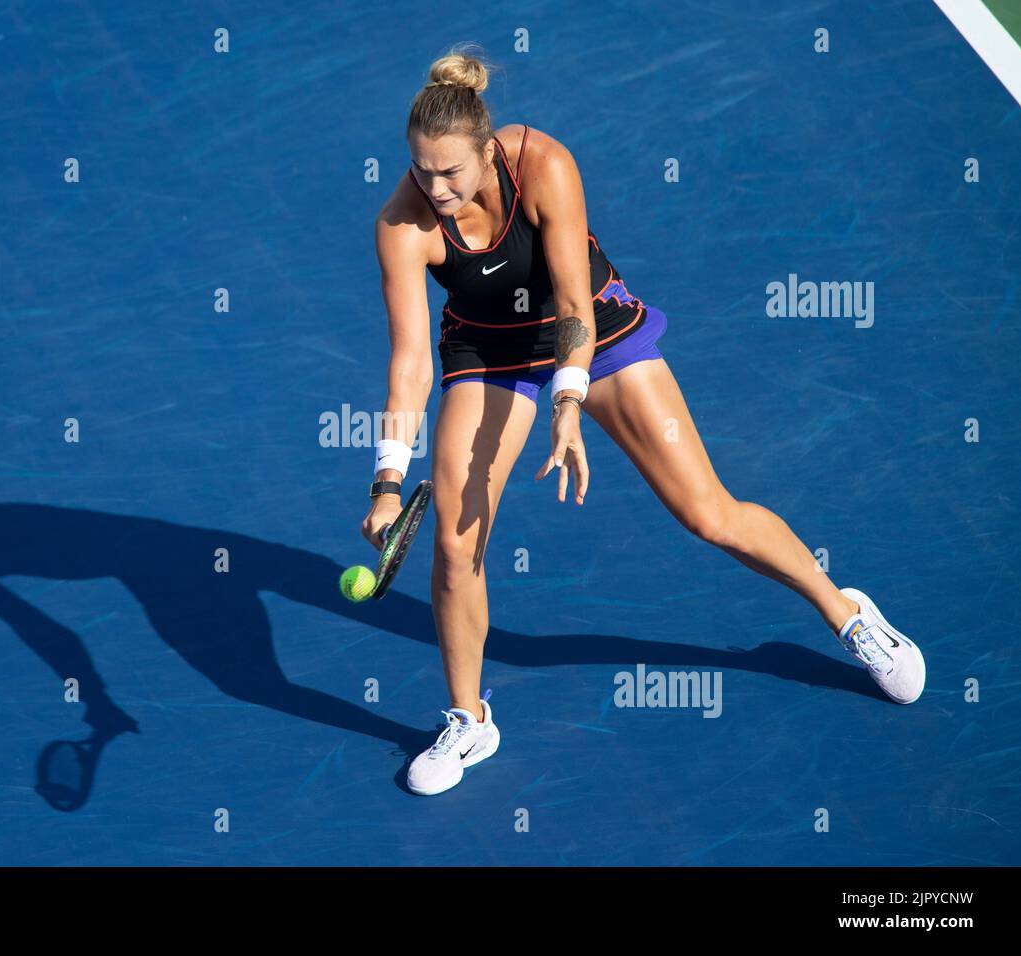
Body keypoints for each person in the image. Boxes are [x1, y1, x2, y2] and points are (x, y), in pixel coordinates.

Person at [361, 45, 925, 796]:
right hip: (487, 353)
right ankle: (469, 721)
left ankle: (847, 613)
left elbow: (570, 306)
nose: (434, 189)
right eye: (420, 172)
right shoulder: (402, 223)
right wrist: (389, 481)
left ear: (489, 152)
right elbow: (409, 364)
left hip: (591, 330)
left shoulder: (546, 164)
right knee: (455, 542)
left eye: (451, 174)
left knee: (707, 513)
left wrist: (568, 403)